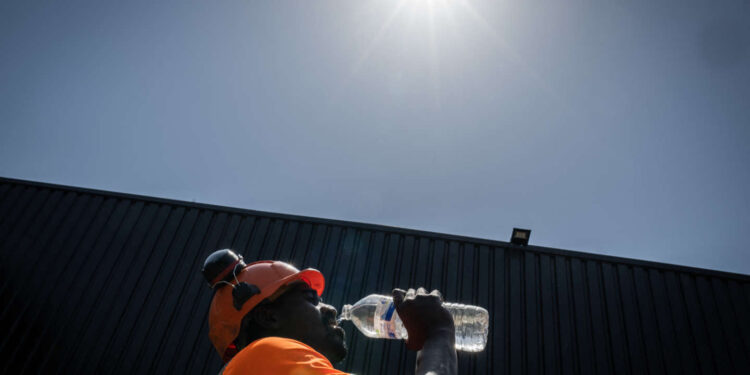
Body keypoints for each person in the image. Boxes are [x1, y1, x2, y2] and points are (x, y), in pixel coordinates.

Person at [202, 249, 457, 375]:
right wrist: (438, 332)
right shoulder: (265, 353)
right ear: (269, 316)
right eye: (311, 299)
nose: (331, 309)